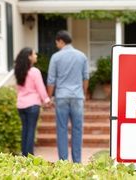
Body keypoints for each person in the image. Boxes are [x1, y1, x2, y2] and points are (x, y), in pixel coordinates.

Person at [47, 30, 89, 163]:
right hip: (77, 96)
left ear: (61, 41)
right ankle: (77, 162)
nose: (56, 45)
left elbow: (51, 80)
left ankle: (63, 162)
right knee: (77, 129)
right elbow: (86, 77)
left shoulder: (56, 57)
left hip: (62, 96)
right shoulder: (82, 56)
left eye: (57, 42)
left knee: (62, 129)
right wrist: (84, 93)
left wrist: (49, 97)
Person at [14, 47, 50, 156]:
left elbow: (18, 89)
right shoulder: (35, 71)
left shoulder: (19, 71)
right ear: (29, 57)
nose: (36, 56)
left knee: (25, 129)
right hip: (33, 105)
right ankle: (29, 156)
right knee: (31, 130)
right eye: (34, 54)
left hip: (21, 105)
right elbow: (40, 88)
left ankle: (24, 155)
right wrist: (46, 99)